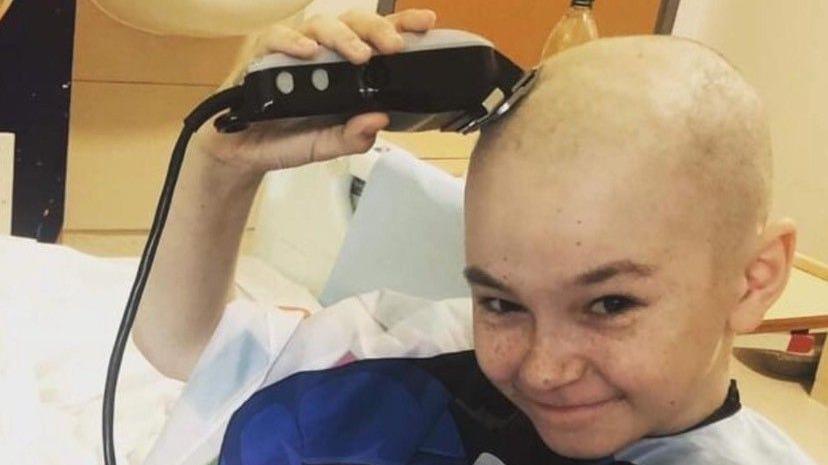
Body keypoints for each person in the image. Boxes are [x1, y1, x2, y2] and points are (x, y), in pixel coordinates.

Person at [132, 8, 816, 465]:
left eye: (610, 304)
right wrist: (219, 168)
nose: (544, 368)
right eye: (502, 301)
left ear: (753, 278)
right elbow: (185, 343)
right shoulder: (429, 361)